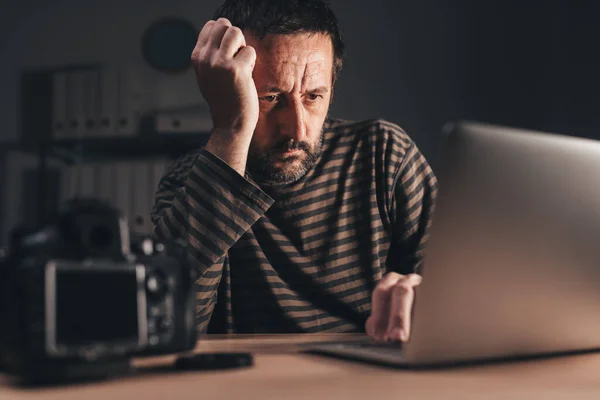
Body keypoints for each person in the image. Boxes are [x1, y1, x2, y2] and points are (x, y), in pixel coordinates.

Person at [151, 0, 437, 342]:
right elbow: (171, 328)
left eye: (314, 96)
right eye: (271, 98)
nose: (298, 131)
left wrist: (429, 295)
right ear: (230, 91)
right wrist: (231, 130)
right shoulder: (193, 183)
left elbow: (457, 292)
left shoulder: (384, 155)